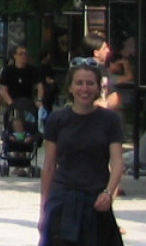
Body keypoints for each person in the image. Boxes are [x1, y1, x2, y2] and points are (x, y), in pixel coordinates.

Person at [39, 62, 125, 245]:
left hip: (96, 202)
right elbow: (49, 166)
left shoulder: (110, 120)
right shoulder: (57, 119)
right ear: (70, 87)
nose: (84, 89)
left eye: (89, 83)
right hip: (63, 201)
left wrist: (108, 193)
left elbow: (117, 163)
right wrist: (43, 210)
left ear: (98, 87)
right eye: (79, 83)